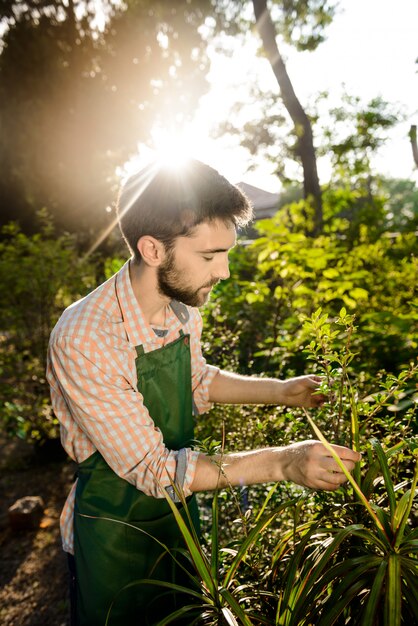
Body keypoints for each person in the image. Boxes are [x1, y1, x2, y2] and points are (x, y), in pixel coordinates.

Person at [47, 159, 360, 626]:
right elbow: (155, 469)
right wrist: (284, 462)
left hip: (178, 512)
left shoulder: (181, 309)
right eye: (211, 257)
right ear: (153, 249)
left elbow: (197, 380)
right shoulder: (85, 337)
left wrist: (283, 392)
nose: (226, 272)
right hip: (112, 527)